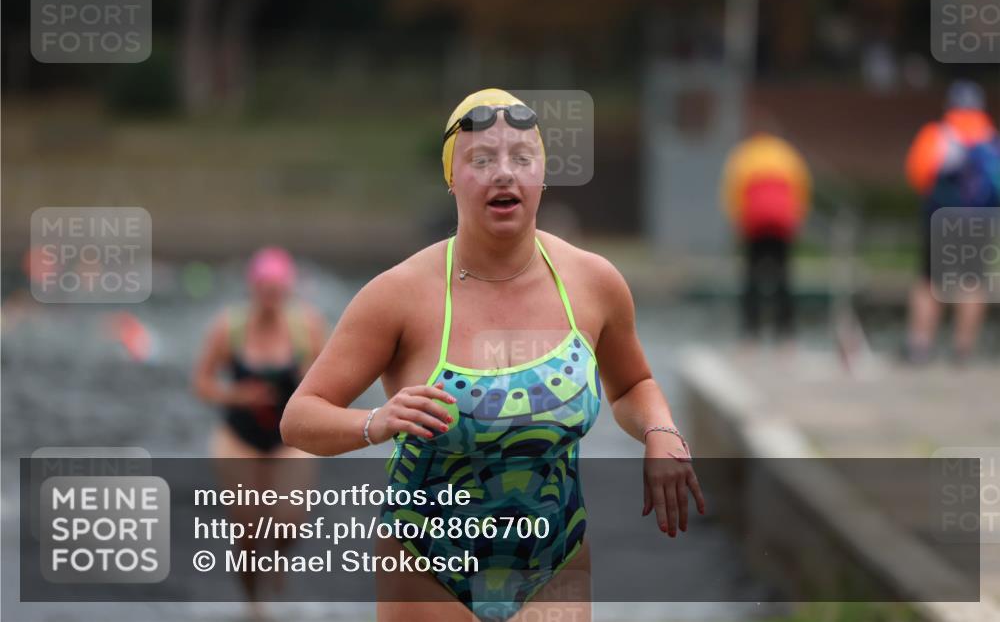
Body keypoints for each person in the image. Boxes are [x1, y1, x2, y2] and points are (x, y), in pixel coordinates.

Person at [281, 88, 706, 622]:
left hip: (556, 560)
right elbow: (299, 418)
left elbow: (632, 386)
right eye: (481, 160)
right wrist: (376, 421)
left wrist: (660, 432)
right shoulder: (399, 295)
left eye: (521, 158)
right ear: (452, 178)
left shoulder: (593, 282)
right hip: (428, 567)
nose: (504, 173)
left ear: (543, 176)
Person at [192, 246, 327, 614]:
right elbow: (202, 383)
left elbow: (328, 383)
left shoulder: (306, 327)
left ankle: (279, 561)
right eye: (264, 289)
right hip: (239, 437)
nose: (271, 297)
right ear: (253, 288)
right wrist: (236, 395)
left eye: (278, 289)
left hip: (289, 438)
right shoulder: (229, 327)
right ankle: (254, 603)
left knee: (289, 523)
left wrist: (305, 382)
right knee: (248, 531)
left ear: (288, 290)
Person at [903, 80, 1000, 365]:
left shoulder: (938, 134)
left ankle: (921, 345)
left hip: (940, 219)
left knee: (929, 280)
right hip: (980, 220)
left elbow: (917, 176)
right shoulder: (992, 138)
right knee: (972, 281)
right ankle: (963, 349)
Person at [720, 132, 811, 342]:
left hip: (754, 226)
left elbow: (731, 191)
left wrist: (736, 221)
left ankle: (750, 331)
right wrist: (798, 218)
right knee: (783, 278)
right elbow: (802, 188)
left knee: (751, 278)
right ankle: (785, 332)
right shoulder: (787, 155)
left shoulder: (744, 157)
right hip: (782, 226)